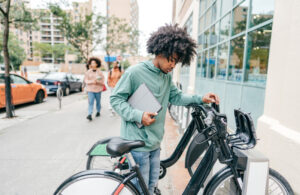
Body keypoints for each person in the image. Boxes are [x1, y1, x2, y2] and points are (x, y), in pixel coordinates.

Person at [110, 24, 219, 194]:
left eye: (177, 61)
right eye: (172, 59)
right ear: (160, 52)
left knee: (152, 187)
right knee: (142, 189)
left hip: (155, 141)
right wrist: (139, 115)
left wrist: (200, 98)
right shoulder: (135, 73)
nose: (173, 65)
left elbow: (177, 97)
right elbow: (116, 99)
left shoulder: (166, 78)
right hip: (137, 142)